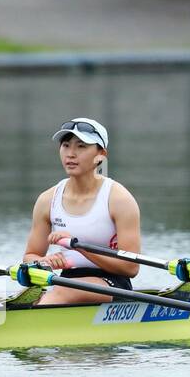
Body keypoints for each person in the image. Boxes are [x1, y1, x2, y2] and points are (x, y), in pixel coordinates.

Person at [22, 117, 141, 304]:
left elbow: (131, 267)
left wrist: (77, 246)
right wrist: (44, 262)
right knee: (34, 297)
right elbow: (30, 256)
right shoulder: (47, 200)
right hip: (65, 280)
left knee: (61, 293)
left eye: (81, 146)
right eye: (66, 145)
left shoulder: (119, 200)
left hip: (112, 282)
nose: (71, 154)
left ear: (101, 154)